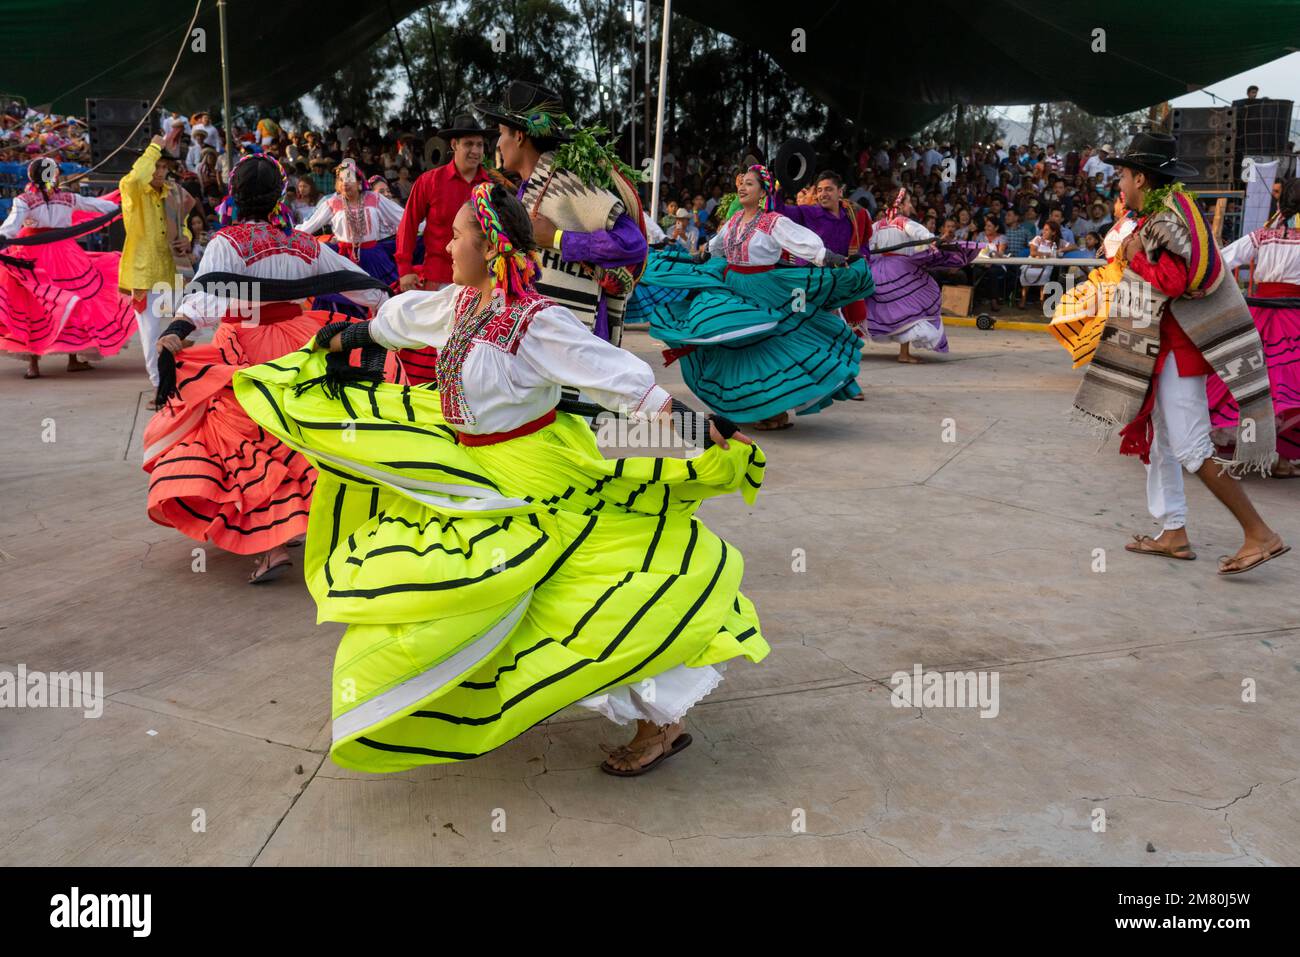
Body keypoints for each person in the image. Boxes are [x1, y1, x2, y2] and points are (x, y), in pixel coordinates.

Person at [230, 182, 768, 774]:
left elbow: (618, 379)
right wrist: (346, 335)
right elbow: (403, 322)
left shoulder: (537, 322)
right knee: (462, 586)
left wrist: (696, 426)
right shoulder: (462, 304)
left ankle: (660, 723)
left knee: (581, 591)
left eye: (457, 236)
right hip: (472, 465)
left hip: (538, 474)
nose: (447, 244)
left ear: (488, 247)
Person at [143, 154, 387, 584]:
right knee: (296, 437)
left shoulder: (227, 242)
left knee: (251, 442)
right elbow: (364, 287)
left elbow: (206, 300)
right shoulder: (306, 245)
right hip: (300, 345)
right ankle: (296, 523)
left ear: (234, 195)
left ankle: (272, 544)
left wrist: (177, 331)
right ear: (281, 195)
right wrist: (395, 314)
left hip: (246, 347)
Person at [1069, 132, 1288, 576]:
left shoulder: (1166, 219)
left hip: (1179, 349)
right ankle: (1173, 531)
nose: (1121, 185)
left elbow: (1172, 281)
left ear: (1144, 179)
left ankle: (1259, 533)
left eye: (1125, 175)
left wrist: (1133, 255)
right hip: (1169, 347)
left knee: (1190, 446)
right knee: (1166, 442)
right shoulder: (1172, 210)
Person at [638, 164, 871, 429]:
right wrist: (698, 257)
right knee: (730, 345)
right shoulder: (735, 221)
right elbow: (716, 246)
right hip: (734, 285)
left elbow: (802, 242)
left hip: (765, 290)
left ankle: (775, 410)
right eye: (741, 183)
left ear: (762, 192)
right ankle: (755, 405)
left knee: (769, 347)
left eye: (749, 184)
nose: (742, 187)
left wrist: (827, 257)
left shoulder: (773, 221)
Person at [480, 81, 647, 345]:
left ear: (519, 137)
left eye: (501, 133)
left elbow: (633, 244)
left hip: (579, 336)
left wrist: (557, 238)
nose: (498, 143)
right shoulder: (528, 188)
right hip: (546, 333)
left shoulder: (569, 184)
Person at [0, 157, 133, 378]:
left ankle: (33, 364)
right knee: (76, 300)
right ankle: (72, 358)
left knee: (36, 304)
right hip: (64, 255)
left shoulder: (25, 200)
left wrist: (3, 237)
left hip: (34, 252)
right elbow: (99, 205)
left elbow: (12, 225)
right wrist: (124, 207)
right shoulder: (67, 198)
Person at [391, 114, 494, 382]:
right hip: (436, 278)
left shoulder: (492, 187)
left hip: (479, 282)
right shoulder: (430, 181)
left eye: (480, 145)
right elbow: (408, 224)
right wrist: (404, 269)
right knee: (431, 350)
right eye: (469, 144)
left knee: (472, 352)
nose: (475, 151)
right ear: (454, 145)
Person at [1209, 177, 1300, 475]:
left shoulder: (1262, 235)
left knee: (1249, 383)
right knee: (1286, 389)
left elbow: (1222, 259)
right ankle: (1279, 457)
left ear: (1280, 202)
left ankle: (1253, 451)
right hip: (1294, 318)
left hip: (1259, 315)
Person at [865, 188, 979, 362]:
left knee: (894, 309)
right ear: (901, 204)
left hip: (878, 271)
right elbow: (924, 236)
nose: (911, 205)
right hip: (901, 269)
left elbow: (867, 247)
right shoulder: (904, 222)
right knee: (914, 308)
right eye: (909, 202)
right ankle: (904, 353)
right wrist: (937, 240)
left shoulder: (877, 225)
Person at [119, 135, 186, 395]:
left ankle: (179, 378)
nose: (159, 171)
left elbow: (185, 223)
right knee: (150, 333)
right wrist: (155, 146)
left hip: (175, 270)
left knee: (182, 325)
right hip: (145, 274)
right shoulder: (133, 188)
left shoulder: (175, 194)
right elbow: (136, 177)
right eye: (155, 165)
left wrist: (187, 240)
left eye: (163, 167)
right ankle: (160, 385)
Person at [295, 158, 405, 317]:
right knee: (342, 302)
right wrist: (286, 236)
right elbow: (308, 227)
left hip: (373, 258)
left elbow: (403, 217)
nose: (344, 183)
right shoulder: (332, 203)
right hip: (343, 259)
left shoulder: (374, 199)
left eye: (349, 179)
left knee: (384, 300)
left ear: (359, 182)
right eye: (340, 179)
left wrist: (426, 225)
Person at [1019, 220, 1060, 307]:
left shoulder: (1055, 243)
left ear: (1053, 232)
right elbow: (1033, 253)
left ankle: (1042, 300)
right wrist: (1047, 254)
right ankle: (1023, 299)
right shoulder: (1037, 239)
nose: (1043, 232)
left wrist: (1061, 250)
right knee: (1026, 272)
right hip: (1032, 263)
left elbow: (1073, 246)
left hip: (1046, 265)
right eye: (1043, 229)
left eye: (1046, 230)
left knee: (1045, 274)